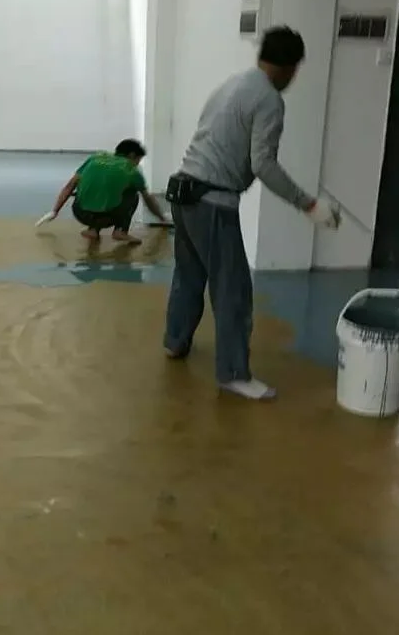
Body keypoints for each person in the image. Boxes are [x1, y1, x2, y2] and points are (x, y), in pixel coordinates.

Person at [163, 26, 340, 401]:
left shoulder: (233, 84)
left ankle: (175, 342)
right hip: (212, 202)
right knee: (233, 291)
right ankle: (233, 374)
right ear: (290, 67)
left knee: (189, 276)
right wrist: (308, 204)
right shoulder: (270, 99)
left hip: (182, 191)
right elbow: (263, 164)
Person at [36, 139, 168, 245]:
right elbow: (148, 200)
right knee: (132, 193)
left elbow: (69, 186)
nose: (137, 163)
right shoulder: (132, 171)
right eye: (138, 160)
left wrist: (55, 211)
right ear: (132, 155)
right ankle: (120, 231)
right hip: (108, 217)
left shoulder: (94, 158)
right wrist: (161, 218)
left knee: (94, 191)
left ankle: (92, 231)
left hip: (80, 213)